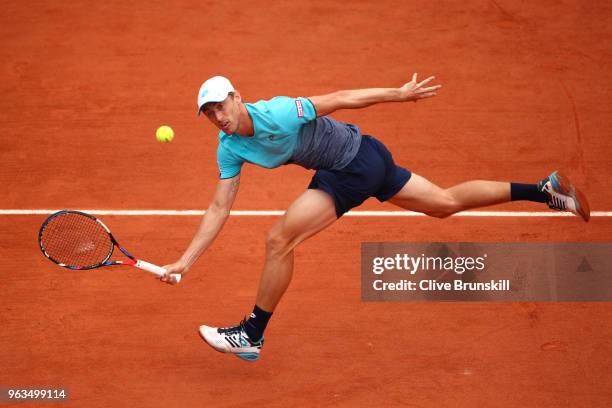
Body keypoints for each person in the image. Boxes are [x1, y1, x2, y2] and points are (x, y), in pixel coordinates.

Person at [161, 74, 590, 362]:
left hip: (352, 166)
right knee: (443, 203)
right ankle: (546, 191)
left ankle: (252, 334)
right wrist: (185, 260)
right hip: (363, 157)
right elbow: (220, 206)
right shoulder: (230, 147)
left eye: (221, 106)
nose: (218, 117)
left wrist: (398, 94)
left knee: (279, 240)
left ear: (237, 97)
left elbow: (341, 99)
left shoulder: (276, 111)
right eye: (209, 113)